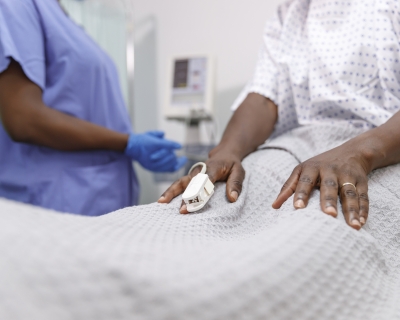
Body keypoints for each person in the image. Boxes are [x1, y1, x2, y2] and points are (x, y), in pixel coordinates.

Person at [159, 0, 400, 230]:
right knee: (203, 209)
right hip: (296, 148)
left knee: (319, 221)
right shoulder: (290, 15)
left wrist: (361, 153)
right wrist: (226, 151)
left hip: (384, 146)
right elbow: (265, 96)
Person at [0, 0, 186, 216]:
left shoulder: (62, 17)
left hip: (96, 200)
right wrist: (127, 143)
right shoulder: (16, 5)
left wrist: (128, 142)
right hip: (56, 203)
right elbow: (24, 120)